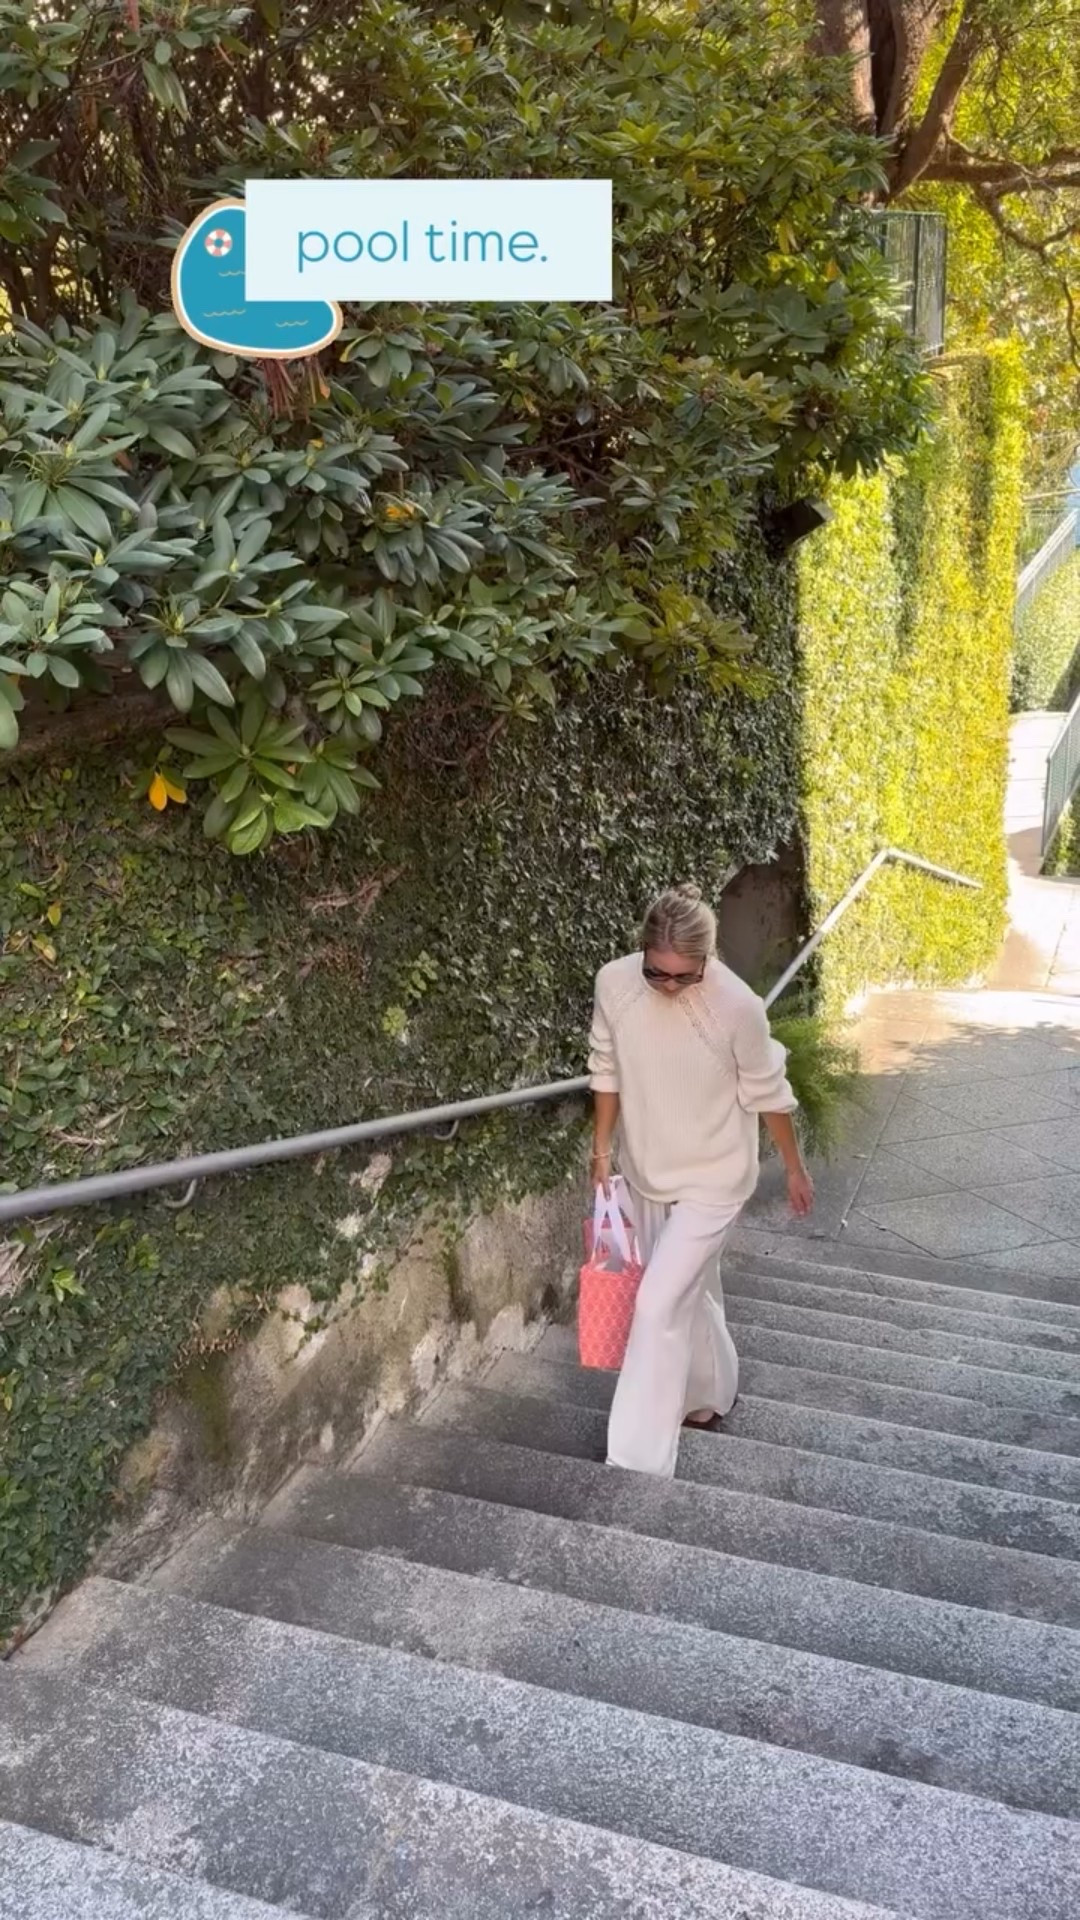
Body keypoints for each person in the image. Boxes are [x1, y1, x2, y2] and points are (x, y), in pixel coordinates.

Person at [588, 881, 814, 1478]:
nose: (667, 987)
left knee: (657, 1302)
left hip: (716, 1178)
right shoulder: (614, 984)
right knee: (692, 1289)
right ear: (641, 952)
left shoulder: (738, 1007)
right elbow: (605, 1068)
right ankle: (712, 1395)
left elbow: (769, 1094)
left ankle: (635, 1463)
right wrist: (601, 1152)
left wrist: (793, 1167)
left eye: (682, 976)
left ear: (707, 961)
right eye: (655, 973)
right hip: (647, 1170)